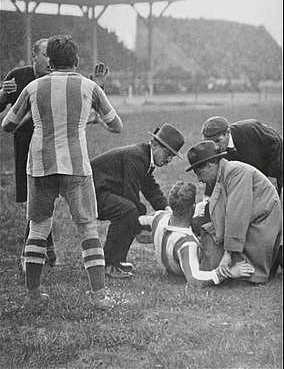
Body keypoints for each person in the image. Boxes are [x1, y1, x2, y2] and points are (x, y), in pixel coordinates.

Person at [2, 35, 123, 309]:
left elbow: (7, 125)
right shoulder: (90, 87)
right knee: (87, 227)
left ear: (50, 61)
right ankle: (99, 296)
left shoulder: (33, 87)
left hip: (40, 164)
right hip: (76, 166)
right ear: (77, 60)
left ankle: (33, 294)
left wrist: (33, 117)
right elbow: (117, 126)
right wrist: (89, 116)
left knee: (38, 228)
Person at [90, 122, 185, 279]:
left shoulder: (145, 157)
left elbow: (150, 188)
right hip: (91, 194)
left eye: (172, 156)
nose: (168, 159)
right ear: (154, 144)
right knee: (128, 210)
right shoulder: (137, 156)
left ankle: (117, 261)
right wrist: (142, 225)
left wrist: (166, 209)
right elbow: (130, 194)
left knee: (129, 210)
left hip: (102, 191)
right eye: (167, 153)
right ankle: (109, 264)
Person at [186, 140, 282, 284]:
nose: (199, 179)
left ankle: (233, 271)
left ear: (210, 165)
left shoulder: (235, 172)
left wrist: (228, 253)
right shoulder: (224, 173)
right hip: (251, 226)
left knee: (218, 260)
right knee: (208, 238)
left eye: (199, 172)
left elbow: (237, 215)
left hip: (261, 228)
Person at [0, 39, 57, 268]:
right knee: (35, 198)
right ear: (34, 56)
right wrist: (4, 94)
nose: (50, 61)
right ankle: (42, 249)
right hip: (25, 143)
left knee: (45, 195)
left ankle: (35, 251)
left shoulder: (57, 79)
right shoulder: (18, 75)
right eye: (45, 54)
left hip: (51, 142)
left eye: (53, 55)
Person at [138, 181, 255, 286]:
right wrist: (229, 273)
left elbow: (141, 220)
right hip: (180, 267)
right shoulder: (187, 243)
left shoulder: (158, 217)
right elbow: (194, 279)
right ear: (192, 208)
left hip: (168, 256)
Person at [201, 116, 283, 196]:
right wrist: (207, 197)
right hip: (250, 179)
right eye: (211, 143)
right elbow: (214, 172)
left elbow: (276, 142)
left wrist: (273, 175)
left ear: (228, 132)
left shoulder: (250, 129)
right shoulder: (213, 149)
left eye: (218, 141)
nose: (216, 147)